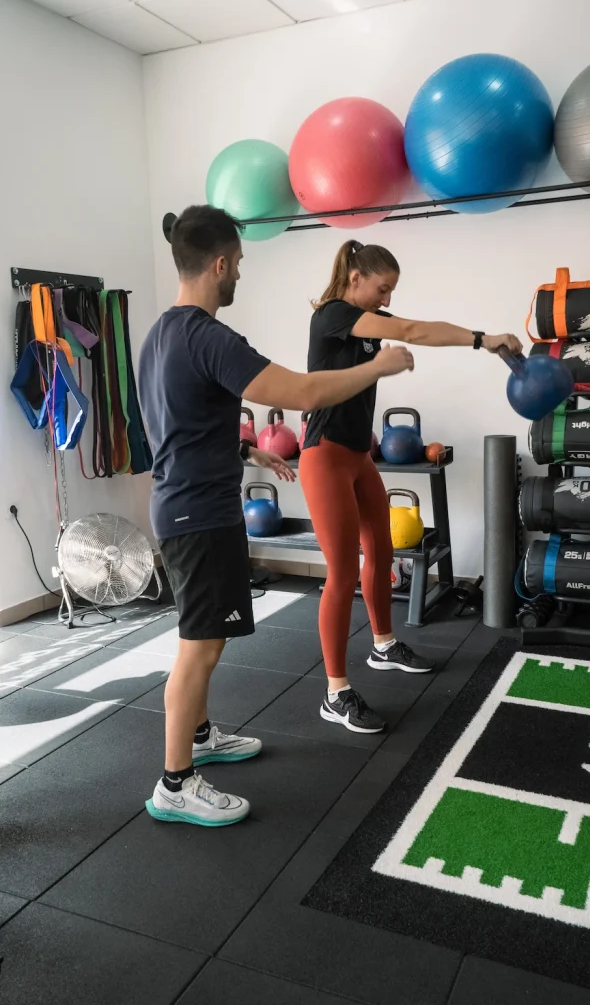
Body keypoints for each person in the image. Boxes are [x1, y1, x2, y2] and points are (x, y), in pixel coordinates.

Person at [138, 208, 414, 828]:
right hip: (200, 514)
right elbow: (306, 393)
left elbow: (170, 423)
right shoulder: (210, 336)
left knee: (206, 640)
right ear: (219, 263)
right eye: (238, 262)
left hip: (186, 502)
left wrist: (244, 448)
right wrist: (376, 366)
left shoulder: (159, 333)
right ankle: (175, 783)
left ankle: (201, 735)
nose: (239, 272)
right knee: (199, 648)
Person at [299, 239, 522, 735]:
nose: (387, 299)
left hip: (358, 456)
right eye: (383, 288)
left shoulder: (360, 320)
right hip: (324, 457)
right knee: (341, 571)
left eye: (392, 291)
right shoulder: (333, 314)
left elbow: (409, 326)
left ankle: (383, 645)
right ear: (356, 277)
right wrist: (484, 339)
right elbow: (412, 330)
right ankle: (335, 692)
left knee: (381, 549)